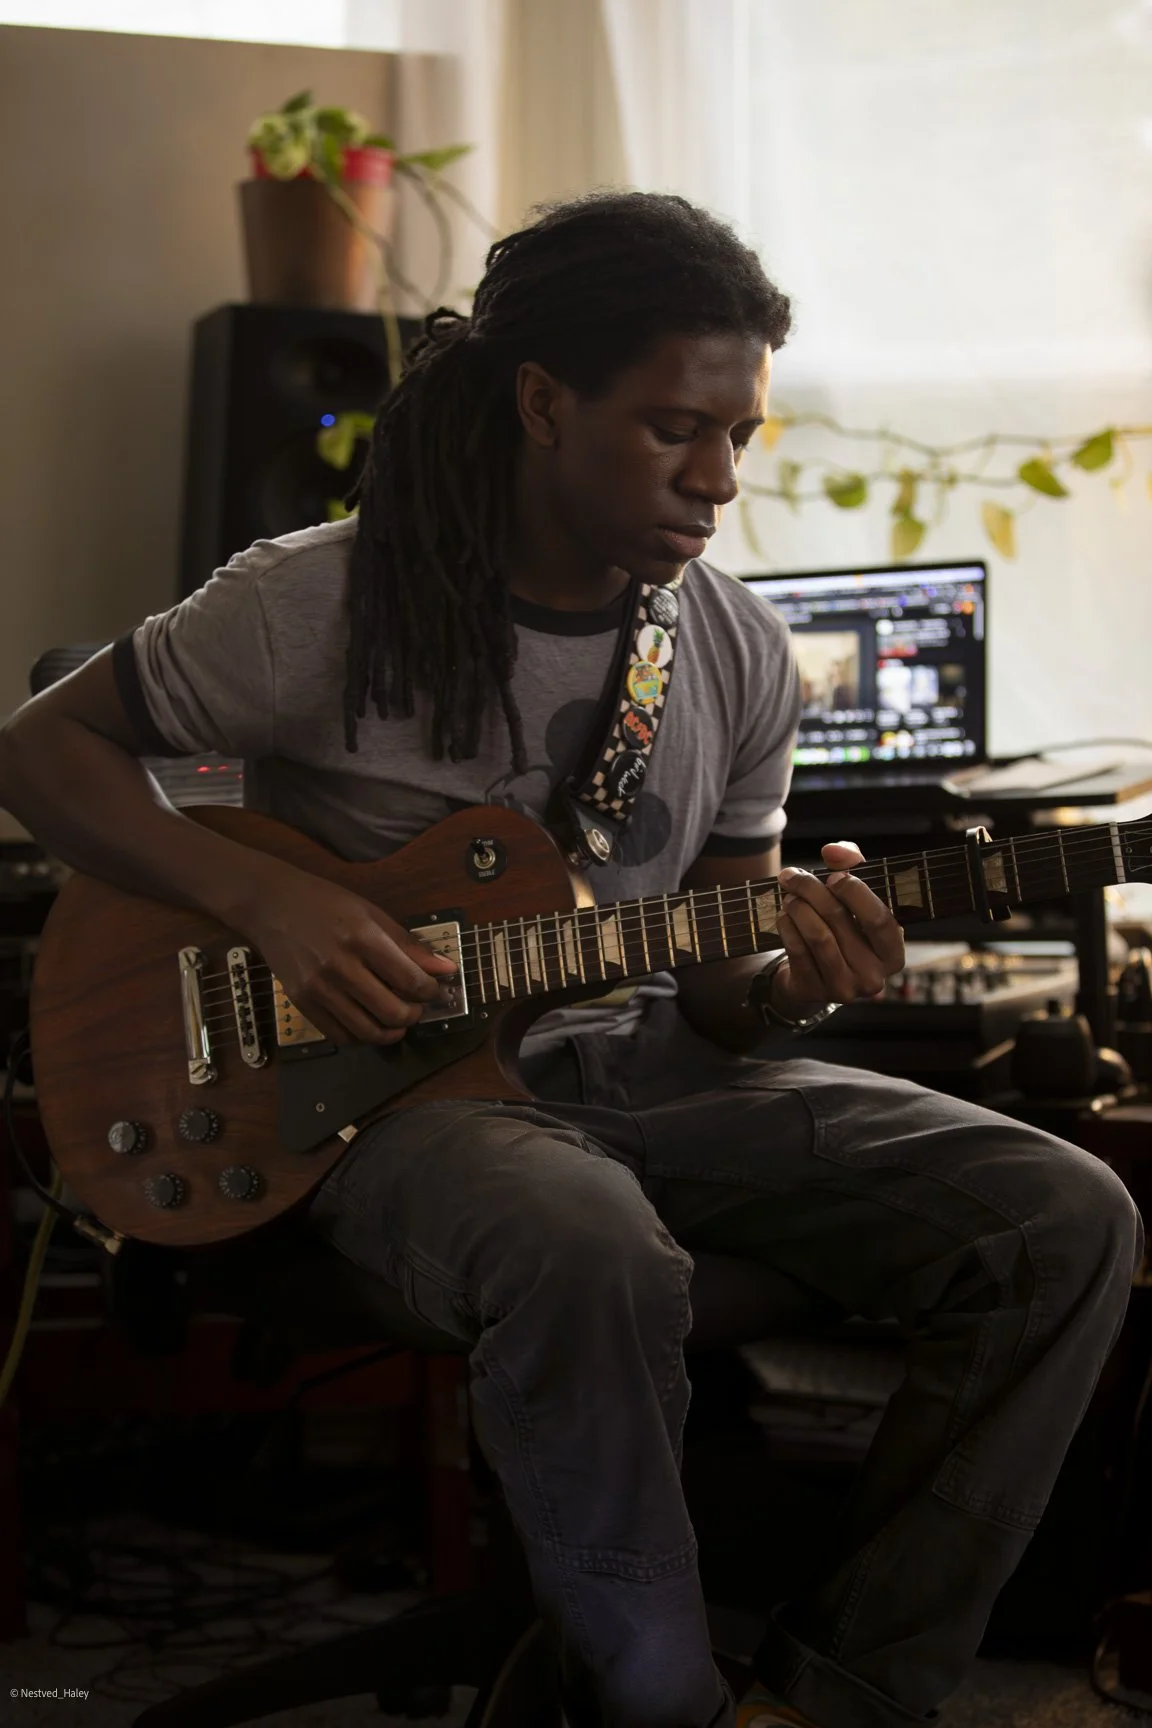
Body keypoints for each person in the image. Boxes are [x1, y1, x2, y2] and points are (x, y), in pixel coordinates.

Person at [0, 192, 1140, 1728]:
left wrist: (795, 971)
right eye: (677, 429)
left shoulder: (730, 650)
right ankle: (654, 1698)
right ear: (544, 402)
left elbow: (728, 997)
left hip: (640, 1072)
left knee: (1065, 1211)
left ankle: (837, 1696)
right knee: (583, 1234)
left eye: (741, 435)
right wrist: (265, 904)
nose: (720, 478)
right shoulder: (318, 600)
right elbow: (42, 750)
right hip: (388, 1108)